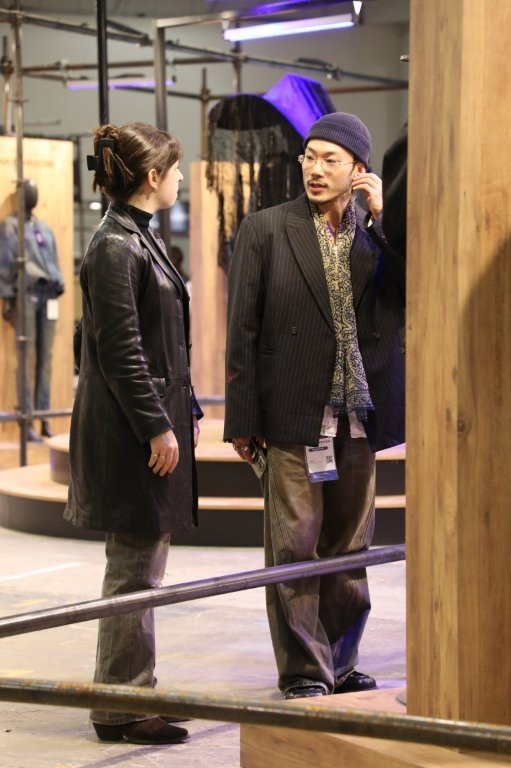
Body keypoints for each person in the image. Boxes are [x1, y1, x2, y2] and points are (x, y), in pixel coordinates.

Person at [224, 112, 405, 700]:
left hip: (359, 415)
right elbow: (242, 330)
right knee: (294, 546)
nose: (315, 169)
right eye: (309, 156)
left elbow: (413, 291)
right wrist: (243, 418)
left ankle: (342, 662)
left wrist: (386, 218)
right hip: (293, 413)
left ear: (359, 170)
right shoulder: (266, 228)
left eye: (331, 159)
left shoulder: (376, 235)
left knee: (350, 546)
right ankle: (304, 670)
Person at [65, 122, 202, 744]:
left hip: (138, 429)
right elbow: (121, 352)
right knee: (133, 569)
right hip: (128, 438)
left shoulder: (134, 236)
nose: (180, 178)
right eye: (175, 170)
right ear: (152, 177)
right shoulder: (115, 245)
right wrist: (156, 428)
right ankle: (119, 706)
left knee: (141, 567)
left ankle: (130, 692)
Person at [0, 180, 65, 441]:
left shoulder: (44, 227)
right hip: (25, 295)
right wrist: (7, 298)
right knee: (27, 358)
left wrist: (59, 283)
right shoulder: (10, 226)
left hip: (49, 295)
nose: (32, 195)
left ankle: (44, 417)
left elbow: (54, 259)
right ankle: (26, 419)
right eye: (29, 191)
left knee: (45, 360)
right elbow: (6, 262)